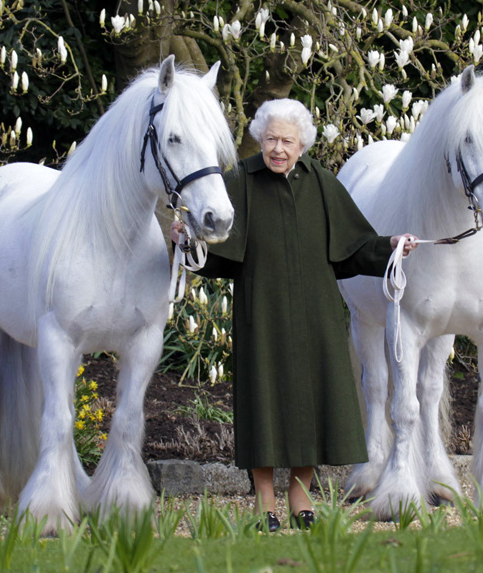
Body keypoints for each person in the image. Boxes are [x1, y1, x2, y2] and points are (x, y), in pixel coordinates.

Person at [172, 98, 416, 532]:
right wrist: (186, 241)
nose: (278, 149)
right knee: (263, 405)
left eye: (287, 141)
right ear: (260, 140)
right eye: (270, 139)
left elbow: (353, 247)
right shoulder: (240, 180)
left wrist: (392, 246)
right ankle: (265, 500)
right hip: (260, 314)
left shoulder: (321, 182)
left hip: (315, 315)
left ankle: (300, 494)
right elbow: (216, 251)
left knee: (313, 405)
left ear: (302, 144)